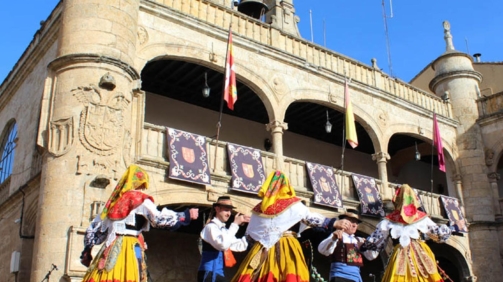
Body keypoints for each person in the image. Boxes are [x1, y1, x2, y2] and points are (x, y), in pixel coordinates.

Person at [80, 165, 199, 282]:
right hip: (132, 246)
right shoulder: (140, 199)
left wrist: (87, 250)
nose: (143, 188)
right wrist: (185, 215)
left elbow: (93, 229)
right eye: (142, 185)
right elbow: (158, 219)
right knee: (135, 273)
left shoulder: (113, 202)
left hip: (111, 246)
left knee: (107, 274)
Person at [232, 170, 348, 282]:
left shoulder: (259, 209)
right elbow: (309, 218)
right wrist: (333, 223)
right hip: (287, 245)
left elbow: (250, 236)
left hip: (261, 249)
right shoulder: (293, 205)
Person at [360, 184, 454, 282]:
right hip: (422, 252)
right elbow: (439, 234)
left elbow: (376, 241)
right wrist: (449, 229)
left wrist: (363, 245)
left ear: (396, 199)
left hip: (400, 252)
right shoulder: (422, 218)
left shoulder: (388, 221)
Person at [198, 196, 251, 282]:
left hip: (218, 274)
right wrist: (235, 224)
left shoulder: (224, 230)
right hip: (209, 274)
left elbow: (239, 245)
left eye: (230, 211)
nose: (229, 214)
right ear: (217, 209)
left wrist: (251, 231)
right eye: (226, 210)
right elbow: (222, 245)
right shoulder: (210, 227)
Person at [318, 209, 379, 282]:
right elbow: (322, 250)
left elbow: (372, 256)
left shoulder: (359, 240)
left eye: (356, 223)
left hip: (355, 278)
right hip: (339, 276)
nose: (354, 225)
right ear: (343, 222)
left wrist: (366, 245)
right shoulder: (336, 235)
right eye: (352, 221)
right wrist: (334, 239)